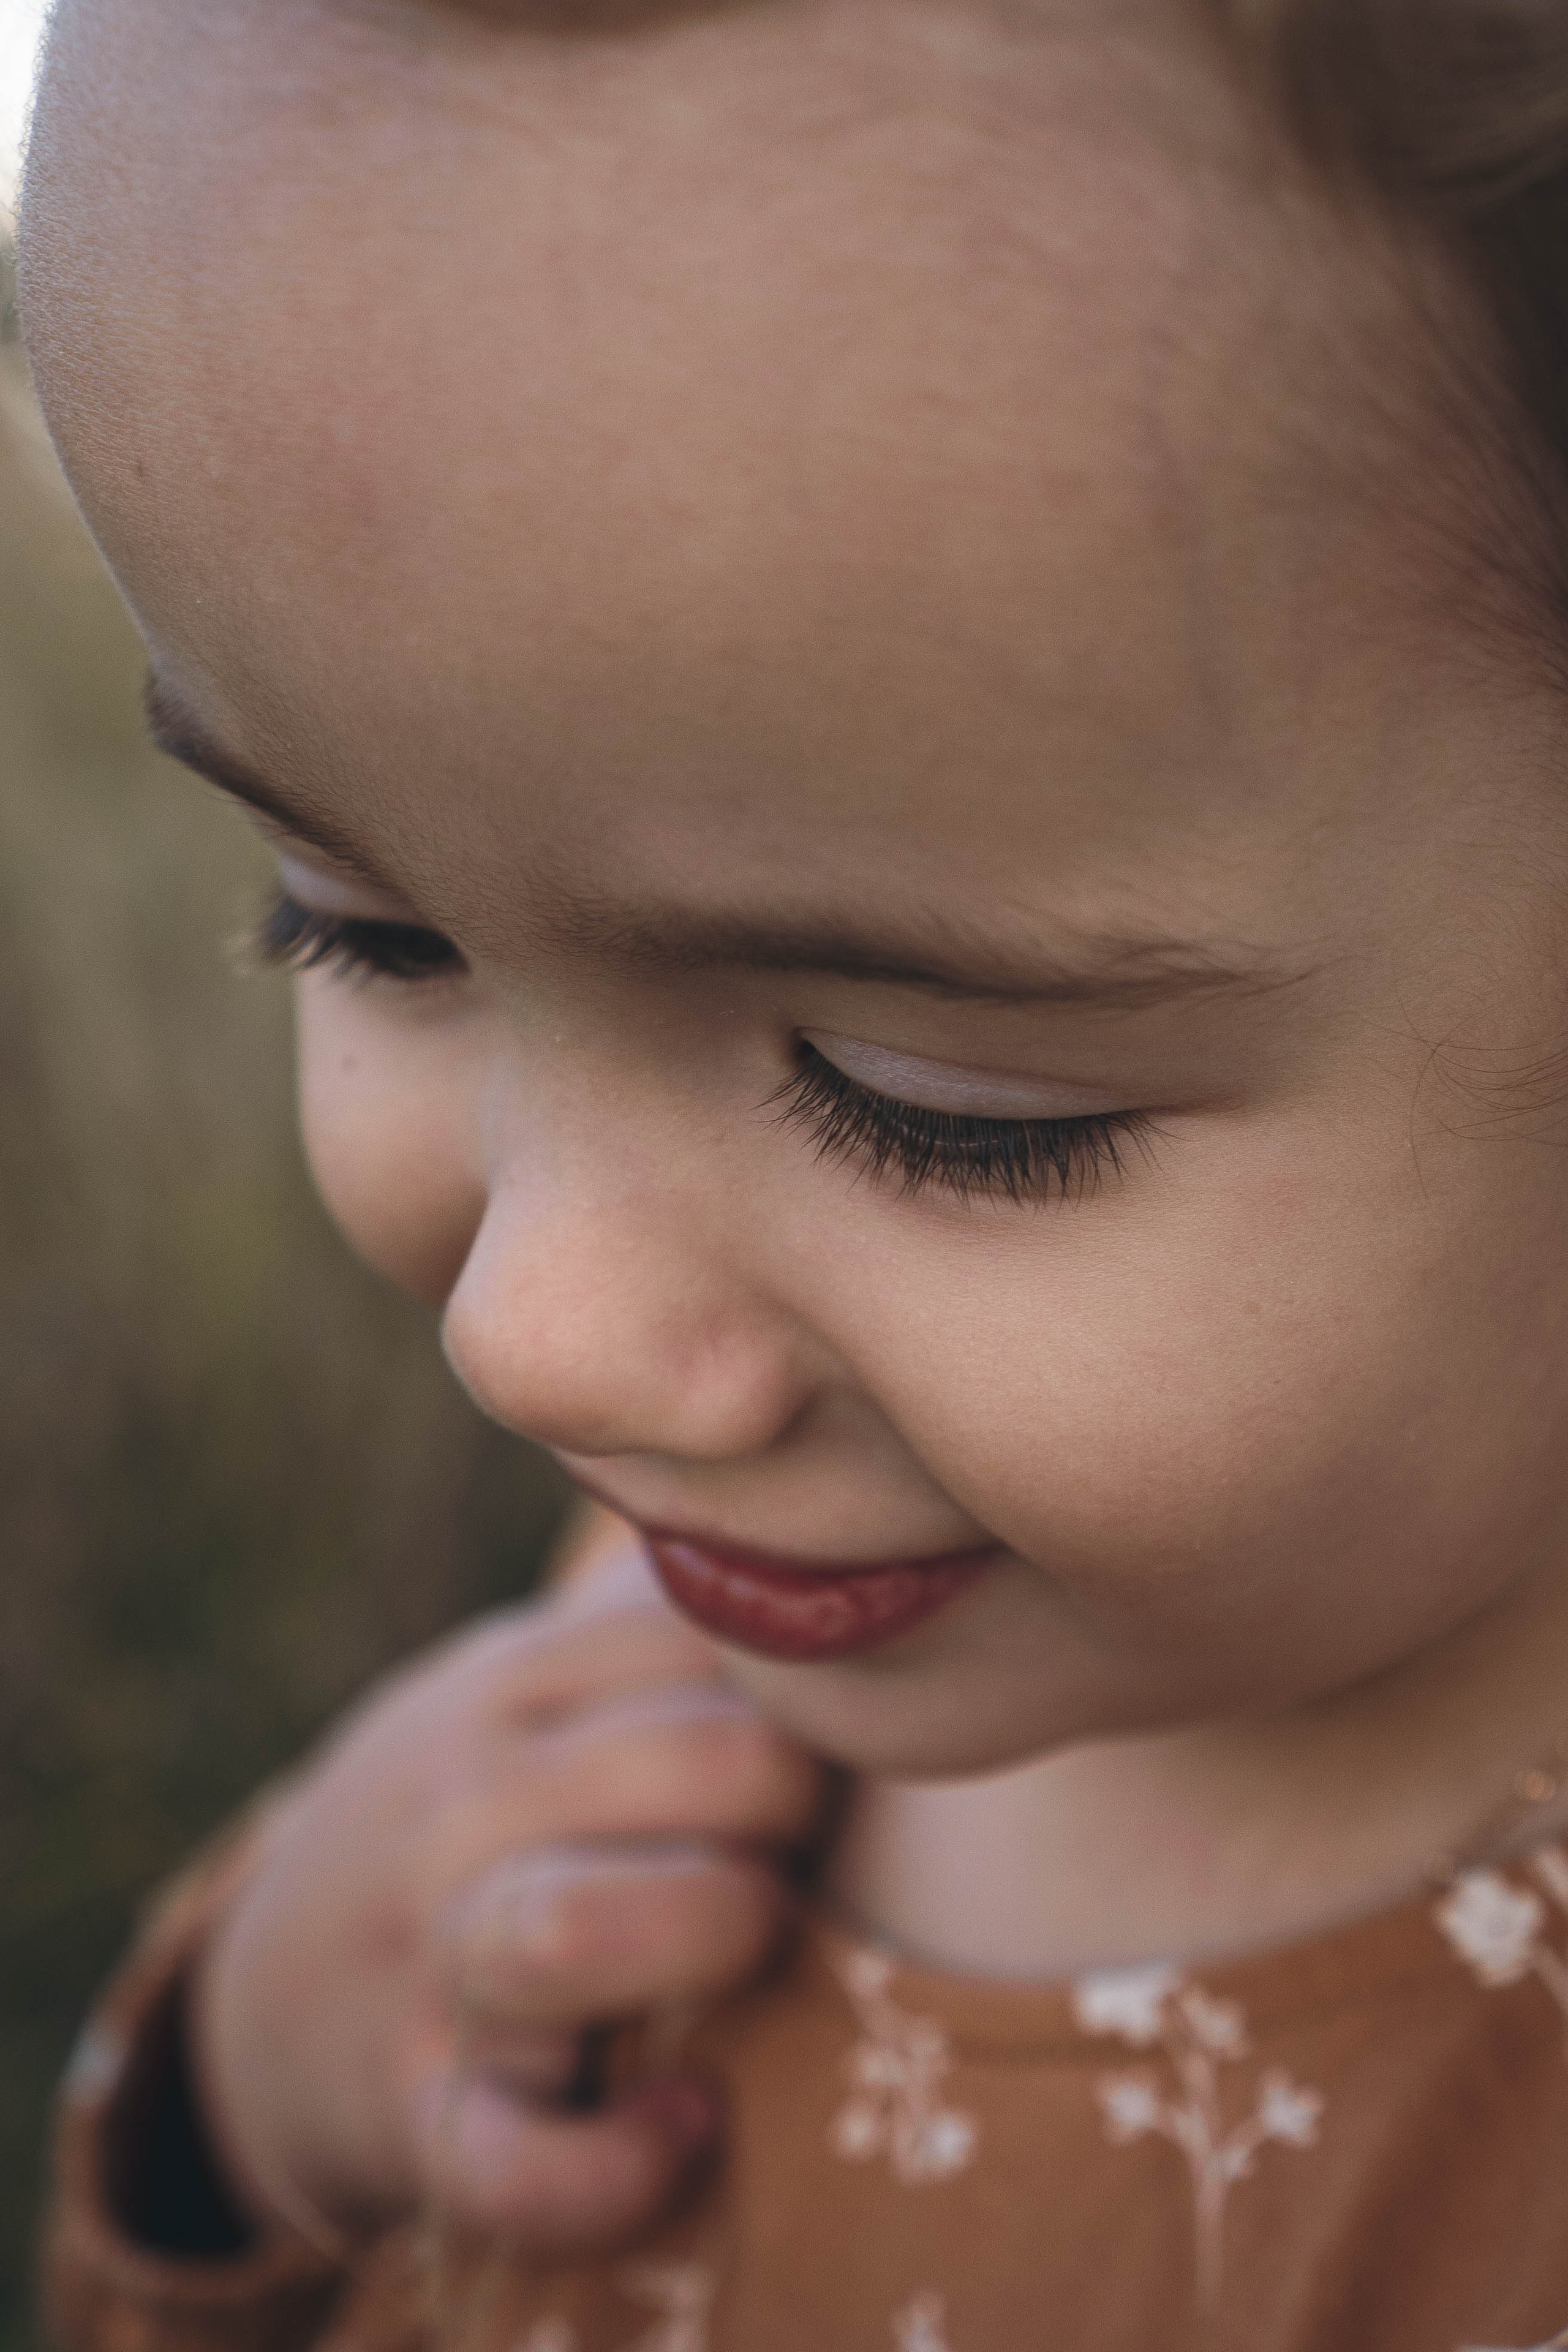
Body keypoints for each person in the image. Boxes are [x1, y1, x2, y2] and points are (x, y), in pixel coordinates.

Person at [18, 0, 1568, 2343]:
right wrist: (246, 2111)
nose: (535, 1335)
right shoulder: (760, 1584)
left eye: (933, 1102)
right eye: (363, 924)